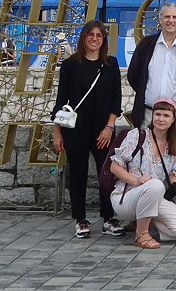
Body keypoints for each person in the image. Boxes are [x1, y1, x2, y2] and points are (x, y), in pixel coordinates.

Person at [51, 20, 123, 238]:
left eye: (99, 35)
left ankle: (108, 218)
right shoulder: (71, 65)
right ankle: (80, 219)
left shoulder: (111, 64)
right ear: (83, 38)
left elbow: (115, 100)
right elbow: (61, 100)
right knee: (78, 174)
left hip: (103, 129)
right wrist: (57, 132)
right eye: (90, 35)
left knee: (107, 175)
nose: (94, 39)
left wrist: (109, 127)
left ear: (104, 39)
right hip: (76, 128)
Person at [110, 97, 176, 249]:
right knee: (156, 185)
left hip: (152, 196)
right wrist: (136, 181)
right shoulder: (137, 135)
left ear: (173, 119)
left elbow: (174, 177)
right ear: (152, 116)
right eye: (158, 114)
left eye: (166, 115)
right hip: (125, 197)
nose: (161, 119)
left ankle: (146, 218)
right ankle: (141, 234)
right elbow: (115, 167)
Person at [126, 2, 176, 130]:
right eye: (167, 17)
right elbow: (133, 74)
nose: (170, 21)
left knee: (175, 150)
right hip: (148, 115)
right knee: (146, 149)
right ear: (160, 20)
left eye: (175, 17)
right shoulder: (146, 44)